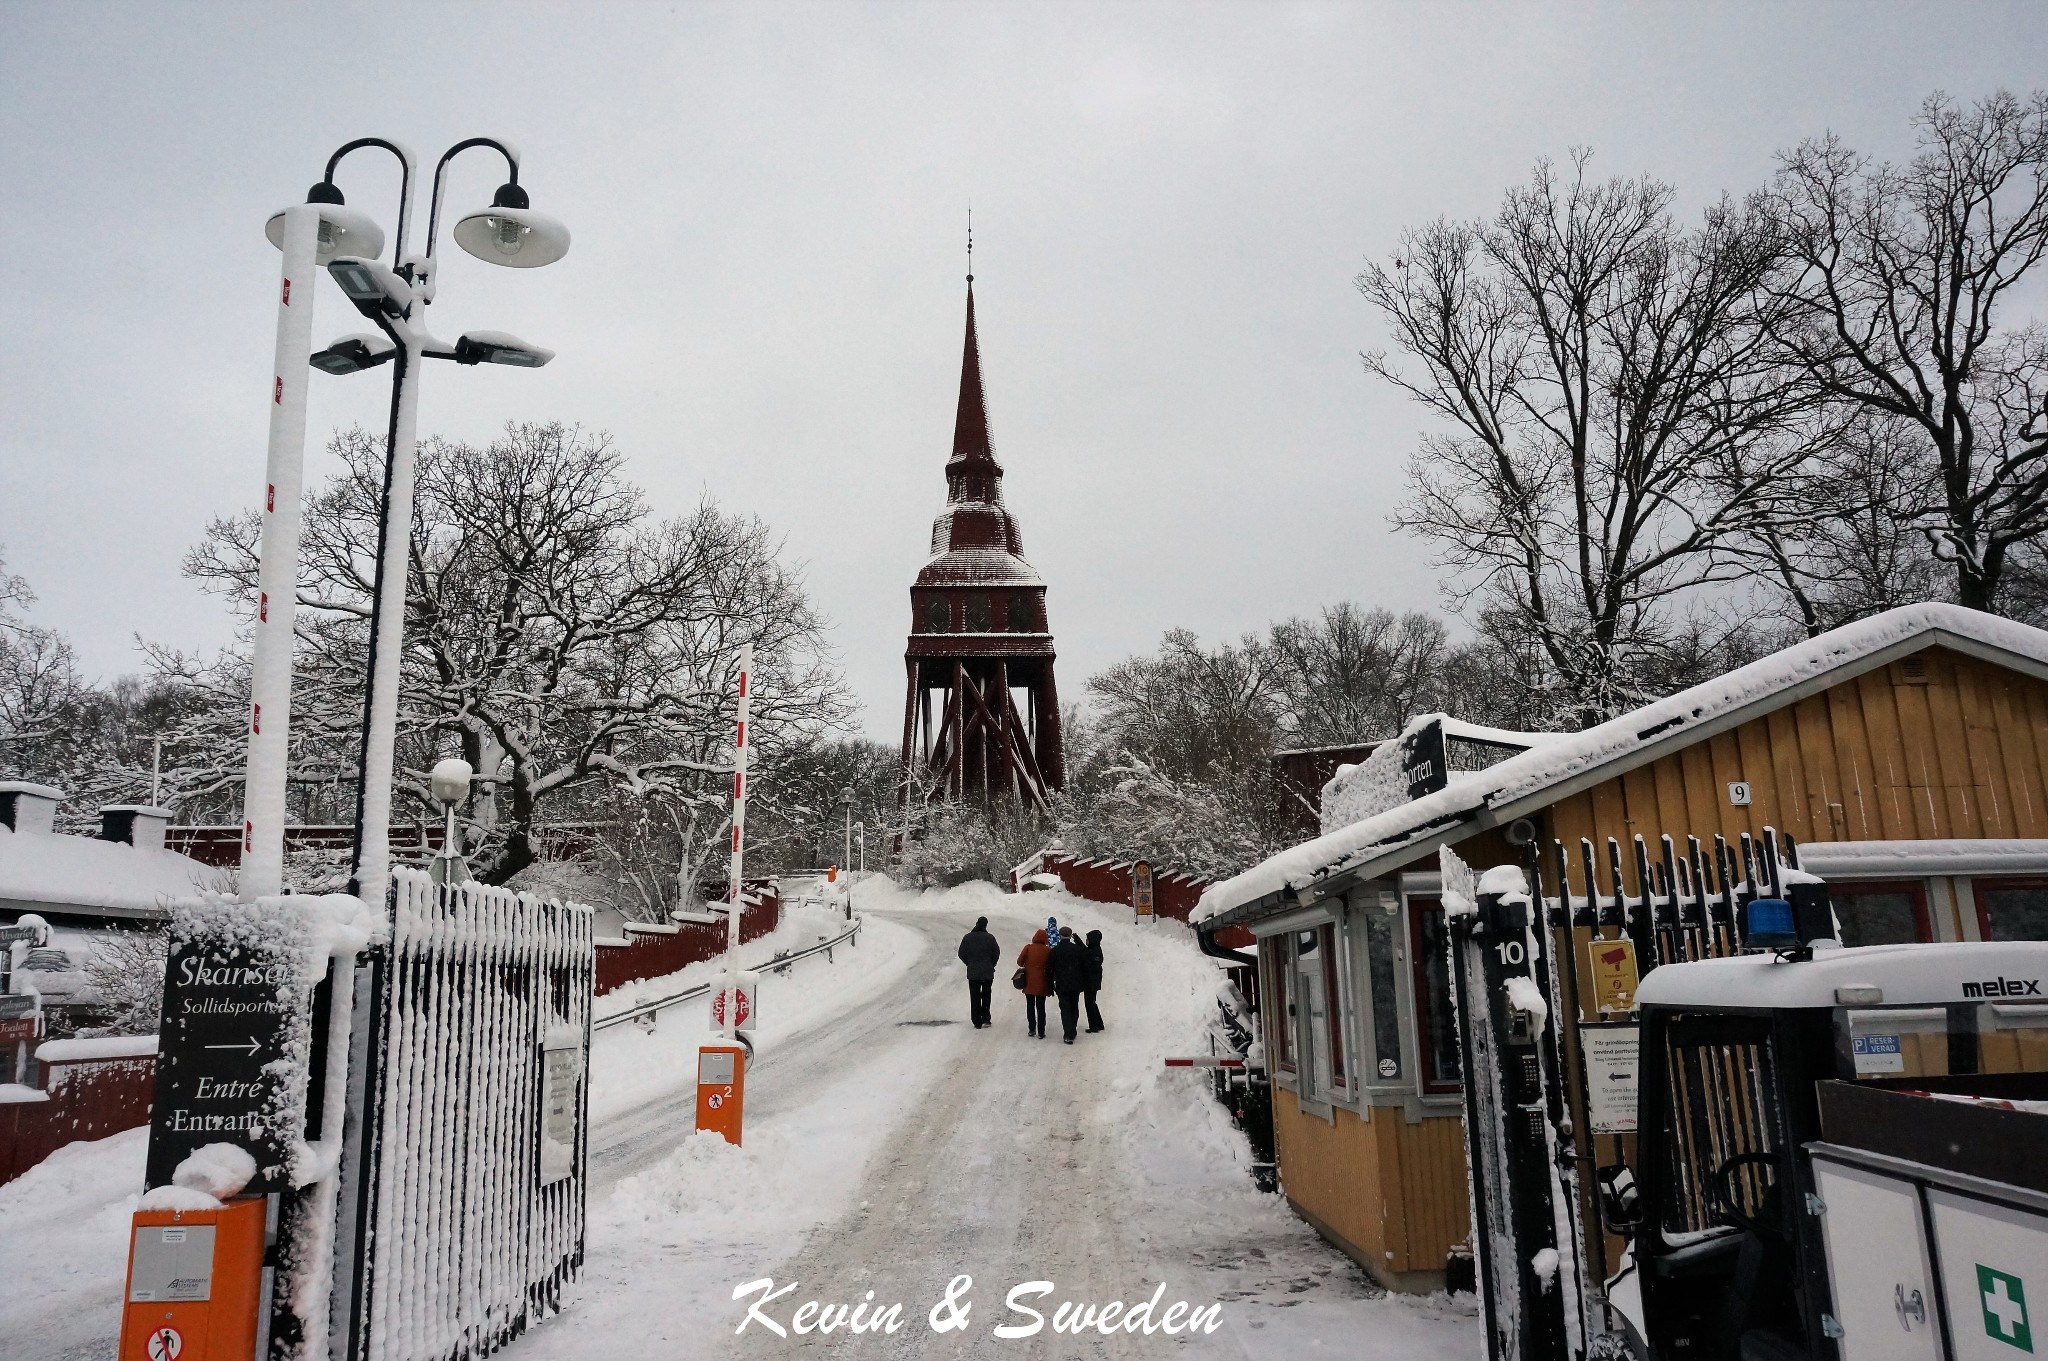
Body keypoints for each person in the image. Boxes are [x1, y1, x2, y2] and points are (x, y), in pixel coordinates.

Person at [1046, 926, 1090, 1043]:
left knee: (1065, 1009)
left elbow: (1049, 969)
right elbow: (1085, 966)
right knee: (1074, 1006)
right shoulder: (1077, 950)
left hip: (1062, 984)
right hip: (1075, 983)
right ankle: (1072, 1030)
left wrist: (1050, 985)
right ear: (1070, 936)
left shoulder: (1055, 951)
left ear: (1059, 935)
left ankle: (1068, 1033)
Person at [957, 916, 1000, 1028]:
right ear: (986, 925)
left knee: (974, 995)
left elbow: (961, 953)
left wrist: (969, 963)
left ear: (976, 923)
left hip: (973, 972)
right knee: (986, 995)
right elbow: (996, 953)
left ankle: (976, 1020)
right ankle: (986, 1018)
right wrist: (992, 964)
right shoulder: (990, 938)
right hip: (987, 972)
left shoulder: (967, 938)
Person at [1017, 928, 1052, 1038]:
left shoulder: (1028, 948)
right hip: (1042, 983)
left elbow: (1019, 962)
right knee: (1041, 1007)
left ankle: (1031, 1029)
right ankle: (1041, 1031)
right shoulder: (1048, 950)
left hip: (1029, 982)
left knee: (1030, 1005)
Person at [1082, 929, 1105, 1033]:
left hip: (1091, 982)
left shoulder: (1096, 952)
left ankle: (1094, 1025)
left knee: (1090, 1003)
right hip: (1092, 981)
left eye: (1088, 939)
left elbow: (1090, 962)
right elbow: (1087, 952)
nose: (1086, 941)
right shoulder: (1094, 949)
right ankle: (1098, 1023)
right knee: (1092, 1002)